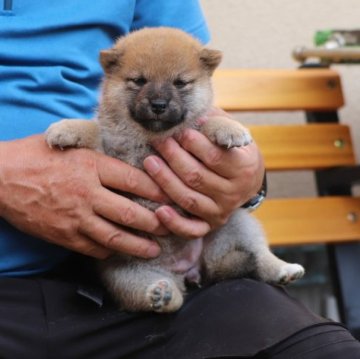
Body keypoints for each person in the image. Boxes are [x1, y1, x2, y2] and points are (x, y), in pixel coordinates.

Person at [0, 1, 359, 358]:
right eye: (138, 82)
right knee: (130, 276)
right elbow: (102, 133)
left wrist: (245, 176)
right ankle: (159, 293)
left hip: (117, 280)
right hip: (114, 267)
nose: (156, 99)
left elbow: (191, 71)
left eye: (179, 84)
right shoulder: (109, 122)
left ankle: (256, 263)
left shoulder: (171, 56)